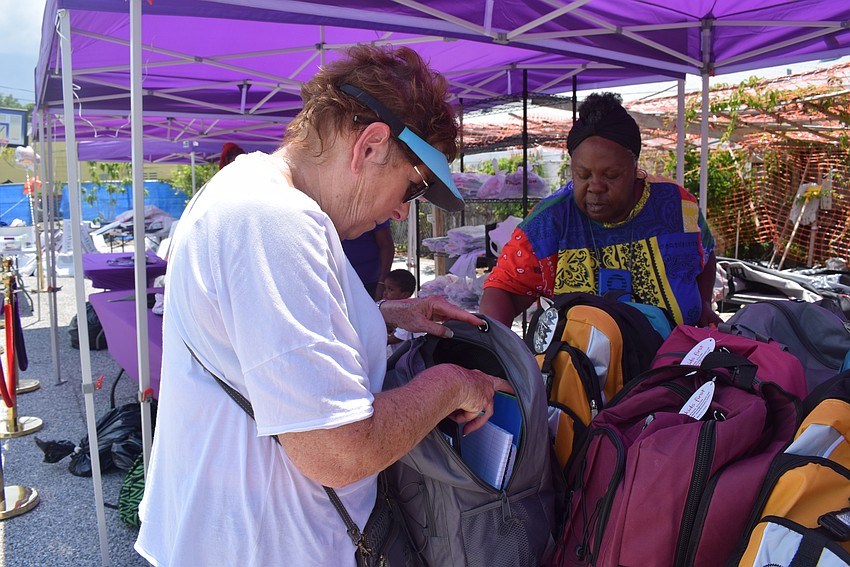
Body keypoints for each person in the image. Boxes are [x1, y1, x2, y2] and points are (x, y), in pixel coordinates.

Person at [135, 45, 511, 567]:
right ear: (372, 146)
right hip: (262, 548)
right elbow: (339, 451)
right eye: (413, 186)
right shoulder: (274, 220)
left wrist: (385, 315)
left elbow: (257, 339)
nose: (402, 209)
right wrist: (451, 384)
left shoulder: (247, 188)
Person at [480, 92, 721, 328]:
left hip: (677, 360)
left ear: (635, 166)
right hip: (583, 366)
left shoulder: (676, 204)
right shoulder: (549, 223)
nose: (595, 187)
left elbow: (705, 250)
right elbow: (504, 289)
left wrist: (703, 303)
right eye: (582, 175)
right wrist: (496, 350)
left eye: (611, 175)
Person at [342, 219, 395, 299]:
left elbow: (387, 246)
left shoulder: (375, 211)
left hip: (370, 282)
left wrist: (382, 283)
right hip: (341, 281)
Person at [383, 268, 419, 353]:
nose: (385, 292)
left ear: (404, 294)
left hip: (409, 355)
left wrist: (380, 342)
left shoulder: (407, 312)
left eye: (391, 289)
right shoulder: (393, 308)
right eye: (385, 288)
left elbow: (398, 337)